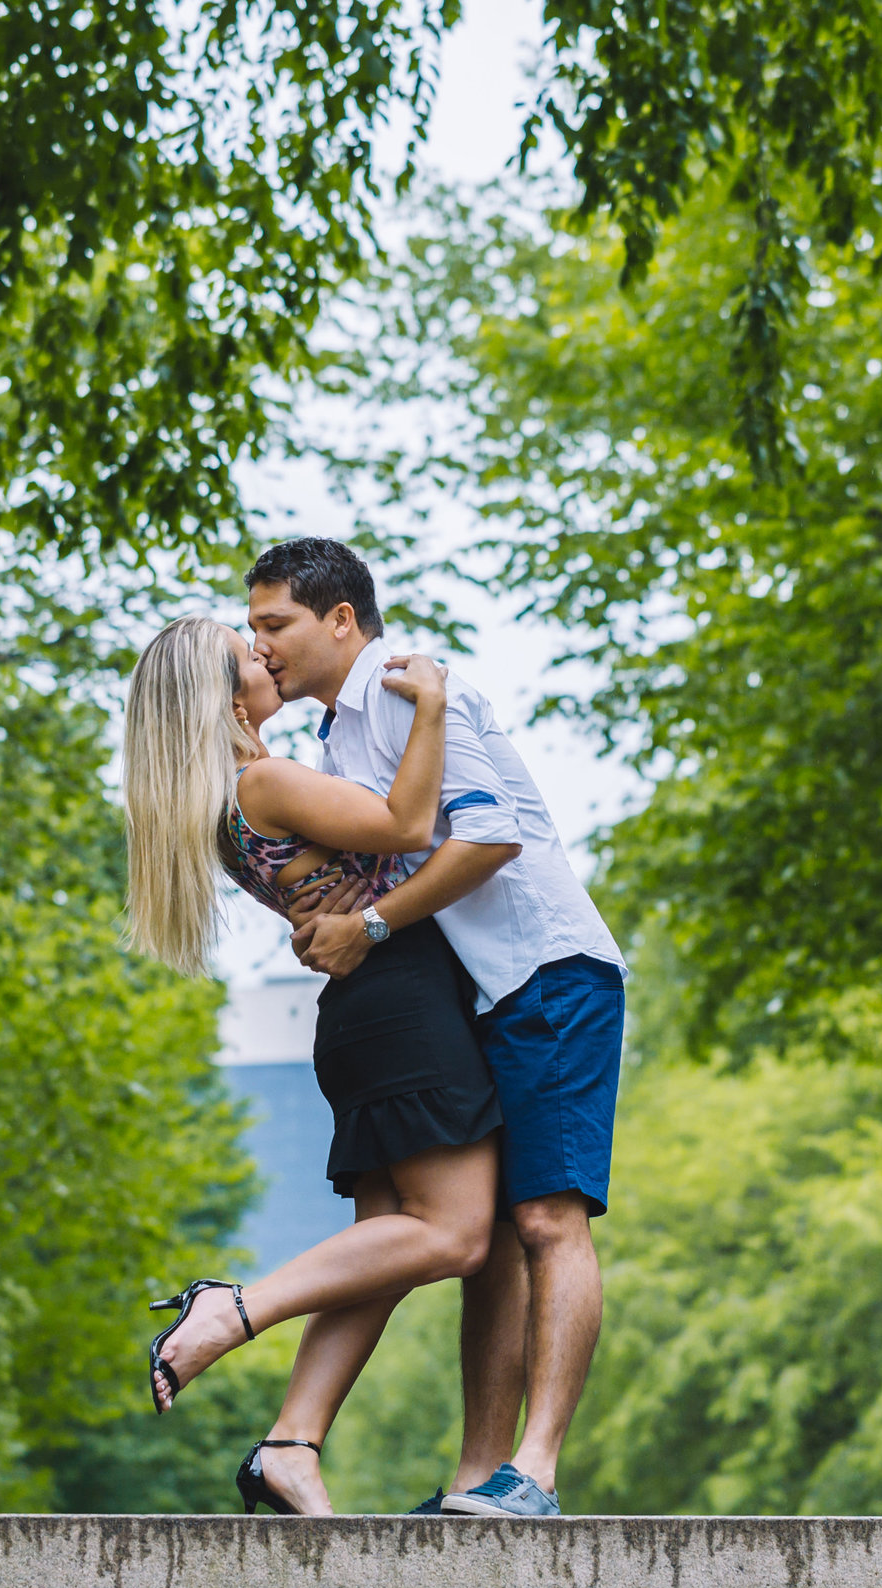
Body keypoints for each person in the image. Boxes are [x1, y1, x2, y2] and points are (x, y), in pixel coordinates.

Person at [247, 536, 627, 1520]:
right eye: (252, 630)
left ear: (340, 618)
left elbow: (488, 836)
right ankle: (478, 1476)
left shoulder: (415, 692)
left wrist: (369, 924)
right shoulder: (336, 738)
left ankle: (534, 1475)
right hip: (478, 992)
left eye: (273, 624)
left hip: (545, 972)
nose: (263, 645)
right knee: (496, 1241)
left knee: (549, 1220)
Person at [119, 613, 508, 1515]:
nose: (263, 654)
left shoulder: (226, 802)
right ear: (222, 696)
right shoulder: (267, 782)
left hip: (364, 1017)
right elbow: (408, 820)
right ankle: (231, 1308)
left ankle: (291, 1442)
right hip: (402, 1001)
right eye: (244, 651)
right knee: (455, 1235)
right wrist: (434, 709)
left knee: (380, 1253)